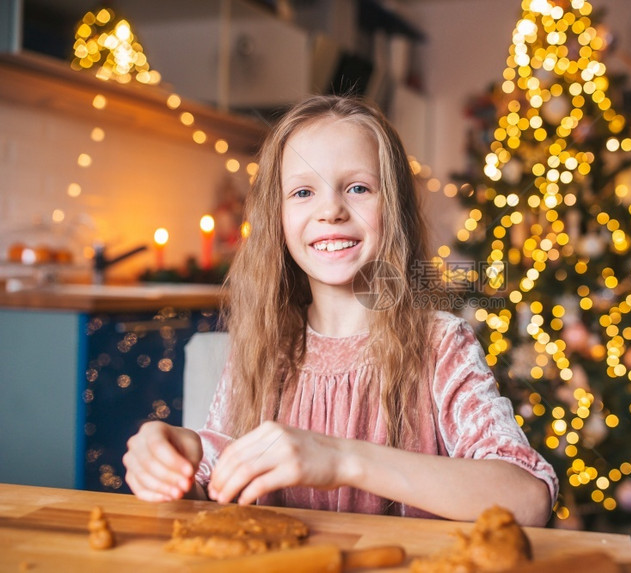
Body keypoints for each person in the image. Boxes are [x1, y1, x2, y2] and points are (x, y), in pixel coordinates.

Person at [122, 95, 558, 526]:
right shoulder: (263, 347)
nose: (331, 210)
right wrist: (177, 464)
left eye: (358, 188)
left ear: (395, 209)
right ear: (276, 216)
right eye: (303, 192)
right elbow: (217, 483)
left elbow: (527, 499)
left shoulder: (440, 344)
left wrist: (341, 458)